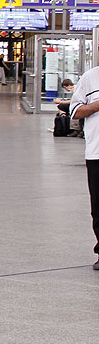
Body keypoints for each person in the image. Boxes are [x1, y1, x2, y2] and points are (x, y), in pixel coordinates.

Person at [68, 67, 99, 269]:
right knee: (98, 207)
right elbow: (75, 111)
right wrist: (96, 105)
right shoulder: (90, 78)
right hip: (97, 153)